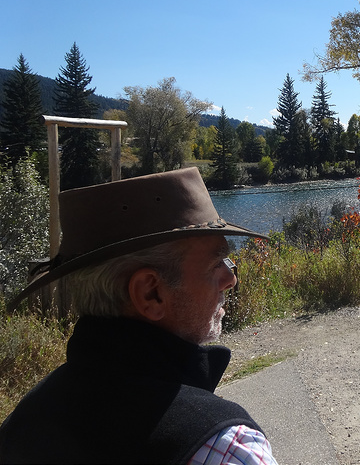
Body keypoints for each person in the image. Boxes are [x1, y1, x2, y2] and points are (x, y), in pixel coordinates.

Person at [0, 168, 279, 465]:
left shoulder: (22, 421)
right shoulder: (227, 450)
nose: (230, 278)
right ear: (150, 294)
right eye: (215, 264)